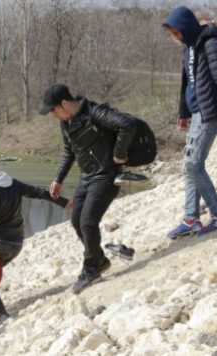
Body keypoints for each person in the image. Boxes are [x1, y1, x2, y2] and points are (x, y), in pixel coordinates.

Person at [40, 84, 137, 294]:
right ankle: (99, 260)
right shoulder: (66, 123)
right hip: (87, 175)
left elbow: (127, 124)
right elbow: (68, 150)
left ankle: (91, 268)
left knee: (88, 222)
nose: (53, 115)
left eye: (53, 110)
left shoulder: (95, 112)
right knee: (76, 220)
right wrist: (59, 179)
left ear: (64, 104)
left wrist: (119, 155)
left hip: (106, 174)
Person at [163, 6, 217, 238]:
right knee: (189, 166)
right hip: (196, 114)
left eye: (176, 33)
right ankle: (191, 219)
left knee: (192, 165)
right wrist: (183, 113)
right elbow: (186, 83)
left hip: (211, 114)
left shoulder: (212, 46)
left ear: (186, 28)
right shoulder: (189, 48)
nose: (175, 38)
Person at [0, 158, 71, 324]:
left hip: (0, 242)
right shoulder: (13, 183)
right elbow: (39, 192)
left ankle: (2, 315)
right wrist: (63, 202)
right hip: (17, 241)